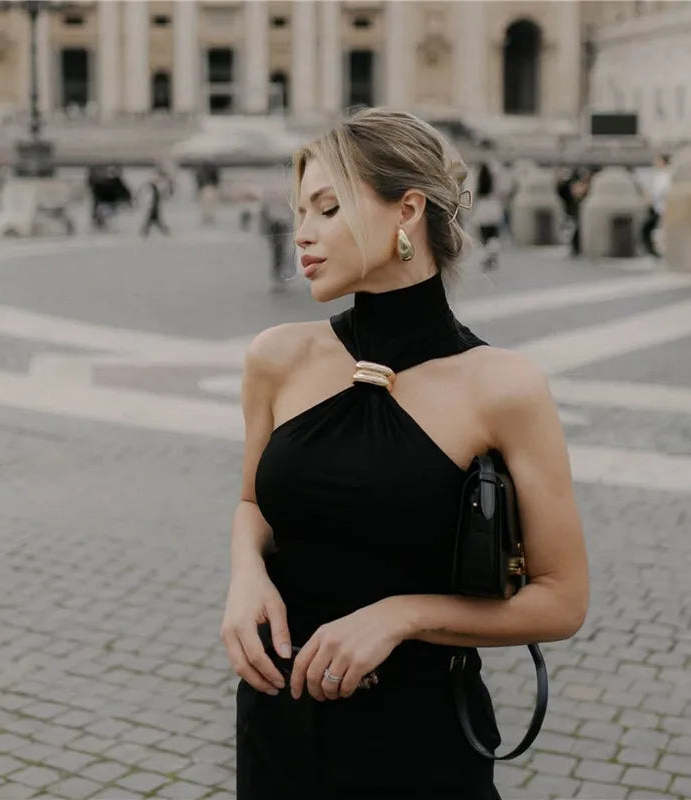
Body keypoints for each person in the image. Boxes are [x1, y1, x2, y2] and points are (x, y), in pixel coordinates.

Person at [220, 108, 589, 799]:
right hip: (279, 728)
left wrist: (403, 614)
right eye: (299, 209)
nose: (302, 233)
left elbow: (562, 600)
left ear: (407, 212)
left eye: (327, 209)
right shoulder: (277, 357)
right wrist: (246, 577)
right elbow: (251, 504)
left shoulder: (504, 387)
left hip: (421, 740)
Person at [473, 162, 503, 270]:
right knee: (493, 236)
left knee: (484, 238)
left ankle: (487, 258)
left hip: (482, 211)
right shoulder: (494, 181)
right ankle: (493, 258)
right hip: (493, 209)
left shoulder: (478, 180)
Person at [641, 154, 670, 258]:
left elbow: (661, 192)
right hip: (657, 207)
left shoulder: (665, 176)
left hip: (662, 208)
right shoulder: (659, 175)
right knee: (650, 229)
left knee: (655, 230)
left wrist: (650, 197)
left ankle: (657, 252)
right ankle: (653, 252)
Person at [139, 172, 170, 237]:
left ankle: (145, 232)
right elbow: (147, 198)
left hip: (154, 207)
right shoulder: (150, 188)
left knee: (153, 221)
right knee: (153, 221)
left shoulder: (156, 188)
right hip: (152, 207)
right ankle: (164, 231)